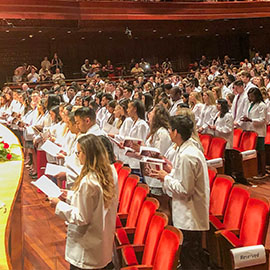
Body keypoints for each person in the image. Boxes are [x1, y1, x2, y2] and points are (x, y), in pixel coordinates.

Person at [49, 134, 118, 270]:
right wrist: (69, 195)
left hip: (87, 247)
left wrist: (58, 204)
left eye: (79, 152)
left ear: (88, 154)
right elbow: (93, 202)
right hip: (101, 240)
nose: (77, 156)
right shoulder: (109, 171)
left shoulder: (89, 181)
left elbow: (81, 217)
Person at [152, 115, 209, 270]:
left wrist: (166, 178)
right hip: (187, 213)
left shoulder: (187, 155)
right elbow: (183, 178)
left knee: (191, 259)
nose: (169, 132)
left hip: (189, 216)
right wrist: (170, 172)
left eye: (170, 129)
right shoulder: (187, 148)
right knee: (189, 256)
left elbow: (185, 189)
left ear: (175, 132)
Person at [242, 87, 268, 179]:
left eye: (252, 96)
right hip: (252, 130)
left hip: (259, 132)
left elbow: (263, 119)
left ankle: (262, 171)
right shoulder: (251, 104)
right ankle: (256, 170)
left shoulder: (262, 105)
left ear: (257, 96)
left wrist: (251, 119)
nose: (250, 98)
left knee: (260, 151)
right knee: (254, 152)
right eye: (249, 96)